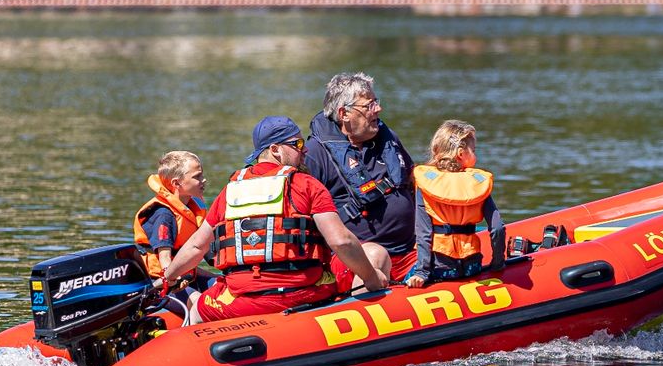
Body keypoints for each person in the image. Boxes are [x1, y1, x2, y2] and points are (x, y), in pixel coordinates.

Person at [160, 116, 387, 320]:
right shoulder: (306, 184)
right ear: (276, 150)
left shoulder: (230, 191)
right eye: (298, 144)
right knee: (376, 253)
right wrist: (371, 278)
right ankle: (356, 326)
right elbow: (341, 241)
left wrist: (168, 277)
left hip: (241, 302)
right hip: (305, 293)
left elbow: (196, 247)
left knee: (197, 310)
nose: (305, 150)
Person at [304, 72, 418, 289]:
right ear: (344, 113)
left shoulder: (388, 140)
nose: (378, 109)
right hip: (357, 262)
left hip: (408, 251)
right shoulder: (315, 155)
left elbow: (412, 183)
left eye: (376, 101)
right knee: (376, 255)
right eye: (369, 105)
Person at [405, 120, 505, 288]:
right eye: (474, 150)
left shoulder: (426, 185)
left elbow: (423, 233)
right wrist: (498, 264)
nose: (476, 155)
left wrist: (421, 273)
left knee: (401, 276)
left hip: (440, 268)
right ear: (460, 153)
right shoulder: (477, 185)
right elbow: (497, 228)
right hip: (471, 266)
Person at [135, 150, 208, 315]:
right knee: (202, 305)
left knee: (224, 288)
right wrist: (175, 279)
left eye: (202, 175)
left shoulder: (192, 209)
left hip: (187, 276)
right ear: (176, 183)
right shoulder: (163, 214)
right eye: (197, 176)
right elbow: (165, 259)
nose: (203, 180)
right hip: (162, 283)